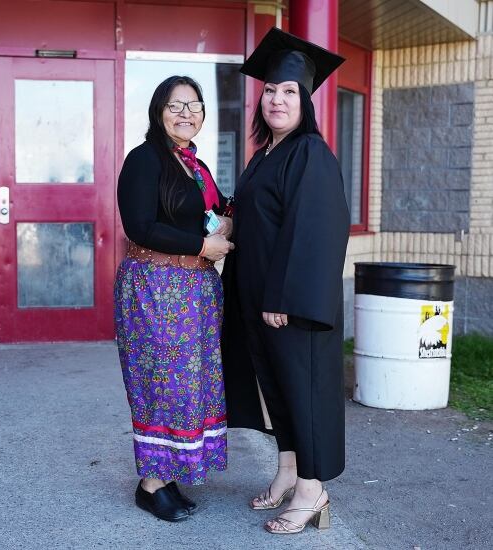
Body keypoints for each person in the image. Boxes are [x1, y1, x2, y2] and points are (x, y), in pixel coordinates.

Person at [221, 27, 349, 535]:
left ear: (305, 101)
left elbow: (318, 232)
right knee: (277, 391)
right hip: (259, 298)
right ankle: (289, 472)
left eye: (289, 91)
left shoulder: (310, 154)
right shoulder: (265, 155)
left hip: (291, 304)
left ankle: (313, 492)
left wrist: (284, 298)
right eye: (271, 90)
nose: (277, 98)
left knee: (304, 393)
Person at [114, 75, 234, 522]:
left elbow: (216, 210)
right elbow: (139, 226)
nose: (186, 113)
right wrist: (203, 247)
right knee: (160, 382)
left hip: (196, 291)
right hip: (155, 288)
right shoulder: (145, 159)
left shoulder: (194, 165)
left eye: (194, 105)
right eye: (175, 105)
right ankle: (151, 483)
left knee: (188, 383)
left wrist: (228, 223)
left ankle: (167, 473)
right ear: (158, 112)